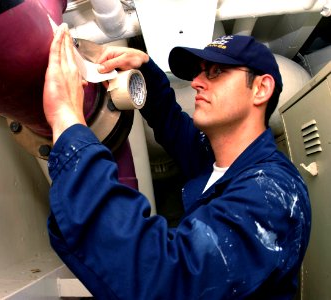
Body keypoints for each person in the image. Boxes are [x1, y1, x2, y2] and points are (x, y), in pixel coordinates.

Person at [42, 23, 311, 299]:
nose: (196, 82)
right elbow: (173, 124)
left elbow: (168, 279)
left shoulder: (271, 195)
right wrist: (145, 69)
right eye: (199, 72)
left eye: (216, 72)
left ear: (260, 88)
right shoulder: (220, 160)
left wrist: (67, 120)